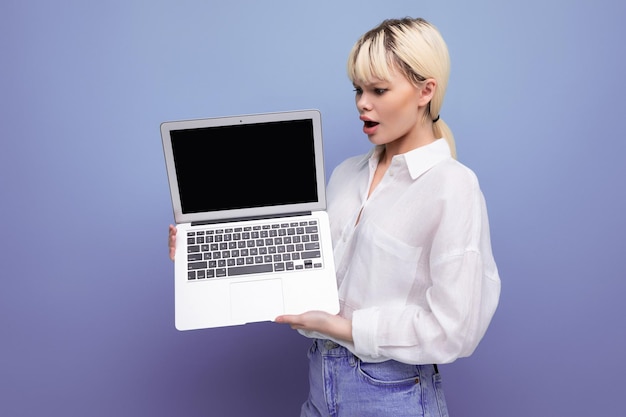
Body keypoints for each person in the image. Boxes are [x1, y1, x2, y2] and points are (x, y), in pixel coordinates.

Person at [169, 17, 500, 417]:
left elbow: (454, 332)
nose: (363, 102)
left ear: (425, 91)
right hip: (320, 382)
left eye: (378, 90)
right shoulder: (345, 175)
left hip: (390, 393)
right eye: (358, 89)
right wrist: (212, 256)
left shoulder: (453, 186)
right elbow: (315, 274)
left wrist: (341, 328)